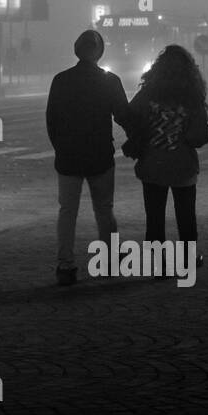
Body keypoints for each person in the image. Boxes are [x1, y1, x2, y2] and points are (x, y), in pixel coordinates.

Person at [45, 30, 132, 286]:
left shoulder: (61, 80)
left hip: (68, 157)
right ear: (99, 52)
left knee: (67, 212)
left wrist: (60, 148)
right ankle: (108, 261)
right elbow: (124, 115)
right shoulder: (110, 81)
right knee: (104, 210)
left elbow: (52, 120)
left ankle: (65, 265)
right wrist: (138, 138)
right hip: (100, 155)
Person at [122, 45, 208, 268]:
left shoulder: (148, 93)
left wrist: (140, 136)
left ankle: (157, 263)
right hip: (183, 163)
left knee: (154, 217)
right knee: (186, 215)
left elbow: (129, 116)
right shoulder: (192, 96)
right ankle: (187, 260)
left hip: (153, 163)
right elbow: (201, 132)